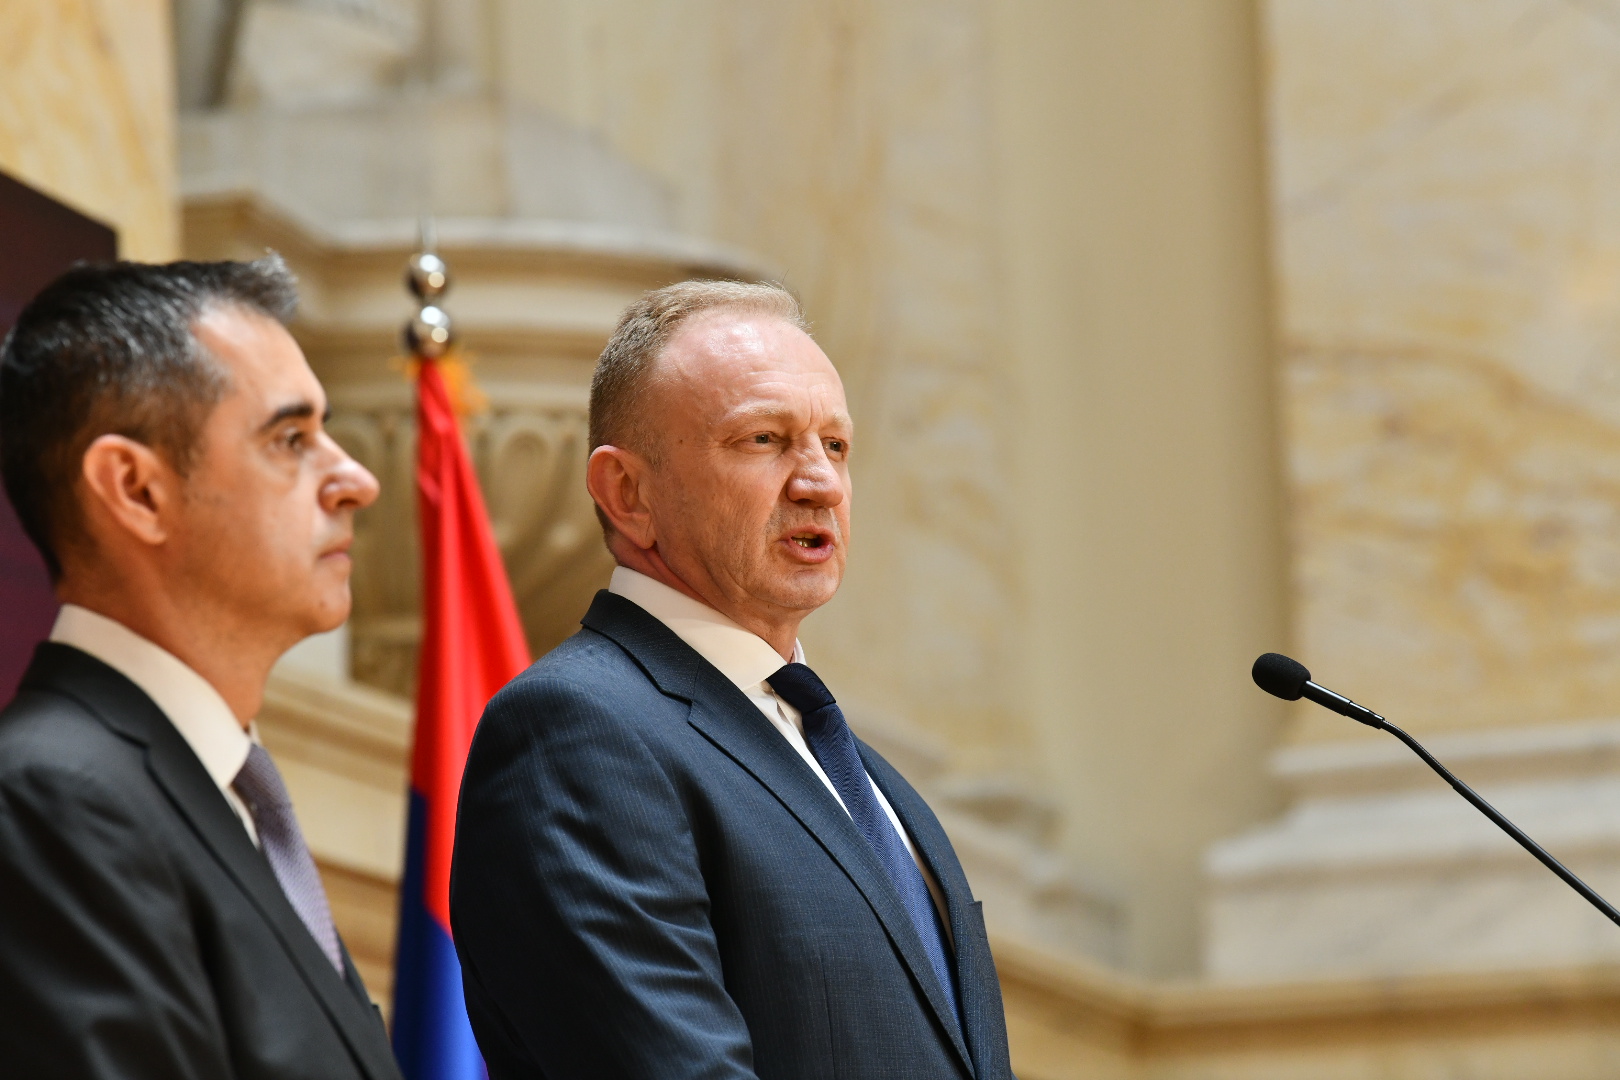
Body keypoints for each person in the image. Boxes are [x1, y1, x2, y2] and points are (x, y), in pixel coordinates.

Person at [452, 281, 1013, 1079]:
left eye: (836, 446)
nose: (819, 481)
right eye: (764, 440)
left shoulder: (869, 779)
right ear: (628, 494)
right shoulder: (577, 732)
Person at [0, 258, 402, 1080]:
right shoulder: (54, 798)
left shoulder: (221, 791)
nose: (356, 480)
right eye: (291, 440)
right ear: (137, 490)